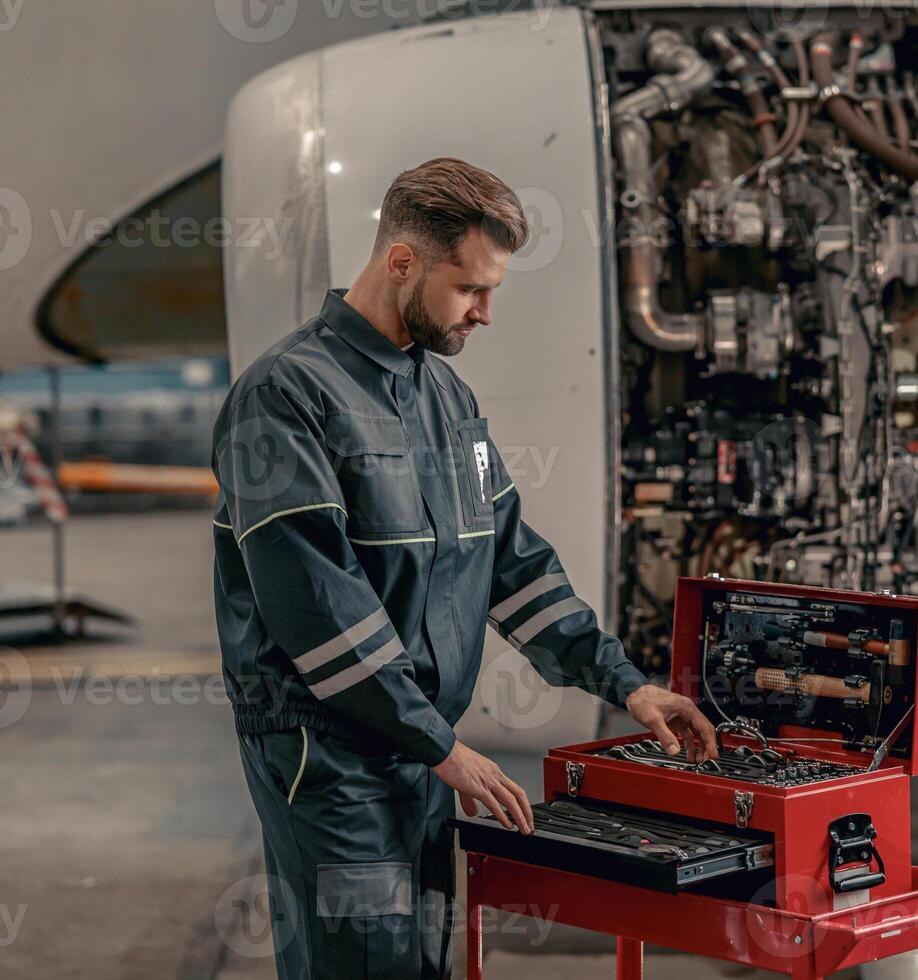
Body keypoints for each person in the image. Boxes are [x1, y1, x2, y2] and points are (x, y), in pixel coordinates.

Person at [211, 156, 718, 979]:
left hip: (416, 754)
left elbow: (511, 565)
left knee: (417, 965)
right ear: (401, 261)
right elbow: (317, 609)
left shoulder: (446, 401)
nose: (483, 313)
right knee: (364, 966)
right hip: (329, 758)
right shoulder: (284, 396)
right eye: (469, 289)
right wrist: (441, 744)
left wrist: (626, 683)